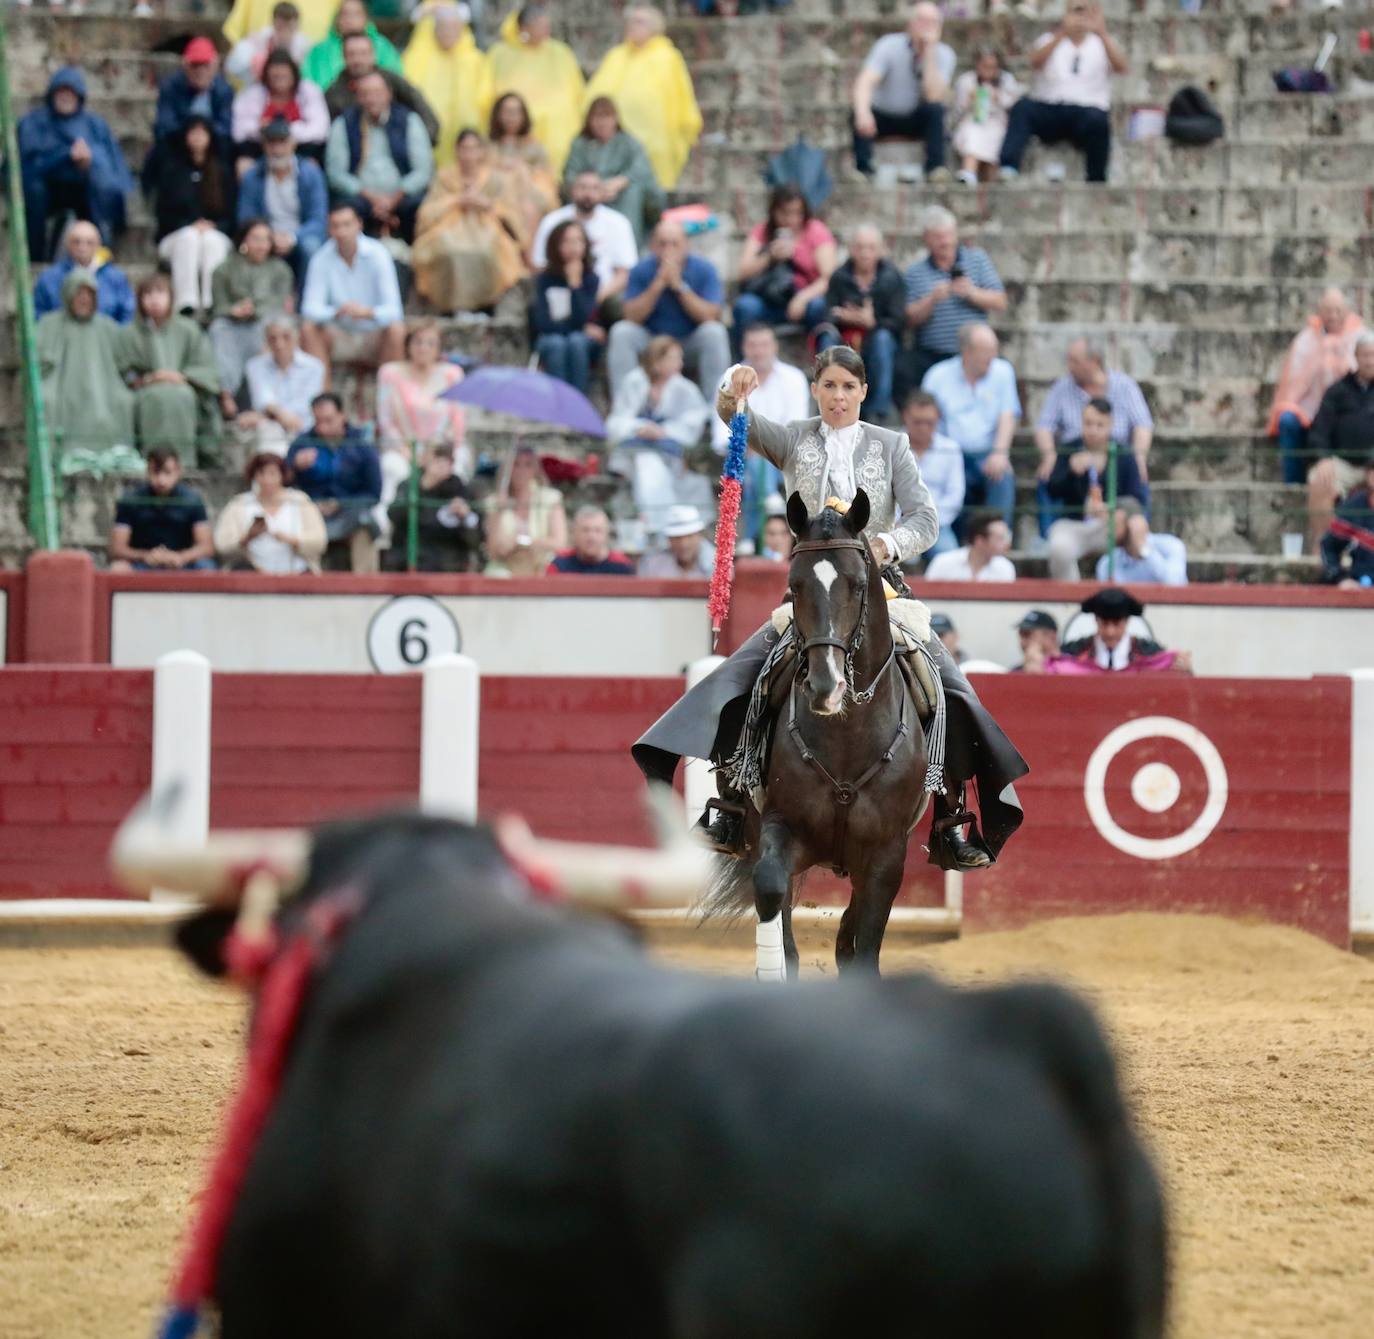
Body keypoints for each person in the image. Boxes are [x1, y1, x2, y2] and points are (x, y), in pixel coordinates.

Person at [633, 344, 1028, 873]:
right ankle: (729, 805)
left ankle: (950, 813)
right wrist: (734, 386)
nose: (838, 397)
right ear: (815, 389)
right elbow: (736, 419)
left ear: (863, 391)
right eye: (829, 386)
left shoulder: (891, 445)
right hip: (811, 600)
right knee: (740, 679)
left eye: (848, 387)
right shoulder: (795, 437)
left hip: (881, 593)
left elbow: (926, 520)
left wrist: (883, 547)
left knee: (948, 687)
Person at [999, 1, 1127, 184]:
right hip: (1050, 109)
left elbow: (1122, 67)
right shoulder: (1049, 39)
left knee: (1099, 121)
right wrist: (1062, 33)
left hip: (1086, 112)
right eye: (1076, 11)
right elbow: (1034, 62)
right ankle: (1009, 166)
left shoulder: (1103, 43)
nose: (1080, 17)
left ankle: (1096, 179)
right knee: (1022, 108)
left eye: (1085, 11)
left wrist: (1102, 32)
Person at [608, 218, 730, 401]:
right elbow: (630, 316)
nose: (668, 250)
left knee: (715, 332)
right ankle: (624, 405)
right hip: (652, 341)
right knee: (621, 332)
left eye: (675, 244)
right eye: (662, 244)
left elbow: (711, 315)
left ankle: (716, 408)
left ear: (686, 245)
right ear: (652, 246)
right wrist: (658, 284)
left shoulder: (705, 269)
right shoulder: (641, 270)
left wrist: (680, 286)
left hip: (689, 340)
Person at [19, 67, 132, 264]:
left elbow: (111, 167)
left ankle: (101, 251)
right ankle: (34, 258)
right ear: (52, 94)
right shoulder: (34, 123)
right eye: (61, 92)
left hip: (82, 189)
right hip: (46, 192)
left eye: (70, 93)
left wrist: (87, 163)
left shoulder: (94, 126)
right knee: (34, 190)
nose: (65, 97)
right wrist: (65, 156)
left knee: (100, 182)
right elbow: (28, 167)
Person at [713, 323, 812, 544]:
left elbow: (796, 430)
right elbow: (720, 432)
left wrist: (761, 445)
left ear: (775, 347)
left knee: (760, 463)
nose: (758, 351)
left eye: (764, 345)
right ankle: (769, 501)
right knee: (755, 466)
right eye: (752, 345)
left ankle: (751, 537)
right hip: (741, 455)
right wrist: (745, 445)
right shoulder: (729, 378)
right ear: (743, 347)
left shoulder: (793, 378)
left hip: (783, 457)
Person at [412, 130, 531, 313]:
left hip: (487, 227)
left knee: (487, 251)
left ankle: (485, 306)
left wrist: (486, 205)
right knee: (447, 249)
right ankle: (451, 307)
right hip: (450, 225)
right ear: (457, 151)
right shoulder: (445, 177)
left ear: (482, 151)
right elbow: (428, 210)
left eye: (474, 148)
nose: (469, 154)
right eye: (464, 149)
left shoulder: (494, 178)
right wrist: (457, 200)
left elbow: (511, 212)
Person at [584, 7, 702, 191]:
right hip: (615, 134)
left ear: (655, 27)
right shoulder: (617, 55)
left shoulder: (667, 56)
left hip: (654, 136)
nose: (633, 26)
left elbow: (681, 95)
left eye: (640, 22)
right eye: (631, 21)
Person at [606, 335, 709, 534]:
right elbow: (617, 420)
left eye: (680, 358)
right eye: (673, 358)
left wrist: (663, 432)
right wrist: (640, 427)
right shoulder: (634, 382)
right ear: (657, 360)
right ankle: (658, 523)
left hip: (668, 452)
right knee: (647, 464)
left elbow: (692, 423)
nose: (679, 363)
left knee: (660, 470)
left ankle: (659, 523)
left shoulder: (685, 389)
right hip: (634, 451)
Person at [921, 322, 1020, 528]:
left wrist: (1000, 452)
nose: (993, 356)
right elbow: (927, 420)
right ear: (967, 352)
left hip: (987, 453)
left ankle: (998, 536)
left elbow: (1007, 416)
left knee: (1003, 474)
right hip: (949, 452)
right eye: (986, 351)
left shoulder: (1002, 371)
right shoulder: (937, 376)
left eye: (995, 350)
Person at [118, 272, 222, 464]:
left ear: (170, 298)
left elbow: (204, 366)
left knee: (181, 397)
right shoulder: (129, 333)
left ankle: (185, 462)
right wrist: (147, 379)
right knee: (152, 399)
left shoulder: (189, 329)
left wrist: (182, 377)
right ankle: (149, 461)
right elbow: (123, 369)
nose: (154, 300)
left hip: (184, 387)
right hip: (145, 390)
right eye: (148, 295)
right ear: (140, 300)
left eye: (160, 293)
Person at [1034, 337, 1154, 503]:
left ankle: (1137, 525)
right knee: (1047, 478)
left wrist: (1138, 459)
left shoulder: (1125, 386)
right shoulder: (1061, 388)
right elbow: (1044, 426)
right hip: (1073, 456)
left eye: (1075, 361)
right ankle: (1050, 529)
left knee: (1137, 483)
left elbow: (1142, 425)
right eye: (1068, 360)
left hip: (1117, 459)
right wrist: (1049, 456)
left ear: (1095, 361)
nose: (1069, 367)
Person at [1044, 396, 1149, 579]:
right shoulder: (1069, 449)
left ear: (1110, 425)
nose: (1093, 430)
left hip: (1110, 526)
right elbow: (1051, 490)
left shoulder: (1123, 454)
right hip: (1075, 523)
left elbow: (1136, 497)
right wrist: (1071, 471)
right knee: (1059, 547)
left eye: (1100, 425)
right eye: (1088, 424)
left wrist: (1112, 510)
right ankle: (1070, 599)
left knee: (1134, 532)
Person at [1268, 287, 1364, 486]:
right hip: (1312, 410)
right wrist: (1321, 357)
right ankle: (1293, 484)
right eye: (1328, 310)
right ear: (1320, 312)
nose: (1333, 316)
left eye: (1338, 310)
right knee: (1287, 421)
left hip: (1344, 411)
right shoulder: (1306, 340)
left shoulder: (1361, 338)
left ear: (1347, 312)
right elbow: (1294, 383)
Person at [325, 71, 435, 244]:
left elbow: (423, 170)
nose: (371, 99)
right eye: (365, 94)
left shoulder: (409, 120)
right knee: (345, 208)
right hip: (361, 198)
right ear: (358, 97)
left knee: (421, 205)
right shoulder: (344, 123)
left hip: (402, 197)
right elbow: (336, 173)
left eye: (377, 93)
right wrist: (371, 197)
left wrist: (394, 198)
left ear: (389, 94)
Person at [903, 206, 1007, 390]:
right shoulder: (915, 272)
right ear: (926, 239)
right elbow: (908, 320)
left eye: (949, 235)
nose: (945, 242)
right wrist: (932, 299)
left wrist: (972, 293)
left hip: (975, 352)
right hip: (932, 355)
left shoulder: (977, 259)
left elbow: (1000, 301)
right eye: (938, 237)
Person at [36, 268, 135, 461]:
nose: (84, 299)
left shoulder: (108, 327)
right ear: (68, 294)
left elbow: (125, 363)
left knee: (124, 401)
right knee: (47, 400)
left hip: (105, 388)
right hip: (60, 385)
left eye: (89, 294)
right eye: (79, 293)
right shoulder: (49, 323)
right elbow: (40, 360)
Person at [143, 115, 236, 317]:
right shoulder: (172, 171)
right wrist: (190, 225)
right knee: (189, 238)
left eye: (202, 132)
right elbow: (164, 214)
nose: (198, 137)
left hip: (213, 234)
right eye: (193, 132)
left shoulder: (222, 172)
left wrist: (214, 226)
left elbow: (230, 215)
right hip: (176, 236)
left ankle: (210, 302)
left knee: (211, 241)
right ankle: (187, 304)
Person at [851, 2, 955, 181]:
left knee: (936, 111)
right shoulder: (888, 45)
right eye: (921, 20)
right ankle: (863, 169)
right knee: (857, 111)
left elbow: (934, 96)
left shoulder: (945, 54)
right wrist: (863, 113)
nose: (926, 26)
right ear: (910, 23)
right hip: (883, 117)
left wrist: (929, 52)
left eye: (932, 22)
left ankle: (935, 169)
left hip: (916, 119)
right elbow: (865, 82)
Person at [300, 203, 406, 377]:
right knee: (308, 329)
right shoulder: (320, 258)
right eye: (335, 226)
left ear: (359, 224)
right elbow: (309, 309)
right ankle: (322, 399)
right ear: (329, 229)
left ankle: (390, 398)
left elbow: (394, 310)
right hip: (339, 333)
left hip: (373, 333)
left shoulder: (378, 254)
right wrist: (336, 312)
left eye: (347, 224)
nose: (341, 232)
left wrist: (367, 312)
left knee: (396, 329)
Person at [732, 185, 837, 356]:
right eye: (785, 213)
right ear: (774, 212)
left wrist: (802, 298)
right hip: (768, 300)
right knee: (745, 306)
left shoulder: (816, 231)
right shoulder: (762, 231)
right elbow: (742, 272)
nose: (791, 219)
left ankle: (826, 368)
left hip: (805, 299)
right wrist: (769, 256)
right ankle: (742, 369)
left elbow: (829, 278)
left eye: (797, 213)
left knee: (821, 308)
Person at [816, 225, 905, 423]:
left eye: (871, 247)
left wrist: (872, 322)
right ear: (851, 249)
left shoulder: (892, 278)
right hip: (844, 340)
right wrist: (844, 317)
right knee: (826, 341)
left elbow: (899, 322)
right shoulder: (839, 277)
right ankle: (827, 402)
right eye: (860, 247)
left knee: (883, 340)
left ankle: (878, 412)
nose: (865, 253)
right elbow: (826, 316)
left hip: (879, 341)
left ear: (880, 250)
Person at [377, 320, 468, 512]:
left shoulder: (452, 374)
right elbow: (386, 421)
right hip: (404, 448)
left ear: (438, 348)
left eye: (430, 343)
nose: (423, 348)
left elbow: (457, 422)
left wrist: (436, 454)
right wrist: (409, 452)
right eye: (418, 342)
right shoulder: (390, 373)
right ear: (408, 345)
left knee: (458, 464)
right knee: (393, 467)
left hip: (442, 450)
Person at [209, 218, 296, 419]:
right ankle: (226, 393)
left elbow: (280, 303)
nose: (261, 244)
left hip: (265, 322)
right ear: (244, 240)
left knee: (270, 330)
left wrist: (254, 310)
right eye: (256, 238)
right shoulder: (223, 269)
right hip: (233, 324)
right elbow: (218, 306)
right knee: (219, 329)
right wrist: (234, 310)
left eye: (266, 239)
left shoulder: (281, 269)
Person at [286, 392, 383, 570]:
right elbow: (284, 485)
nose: (322, 428)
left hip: (350, 512)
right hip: (311, 513)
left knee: (366, 526)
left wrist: (341, 503)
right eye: (318, 421)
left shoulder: (361, 445)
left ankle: (366, 585)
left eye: (328, 420)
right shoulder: (302, 443)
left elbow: (373, 493)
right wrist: (294, 468)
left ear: (342, 415)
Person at [486, 3, 586, 176]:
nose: (545, 31)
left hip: (557, 130)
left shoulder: (560, 52)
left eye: (547, 26)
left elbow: (577, 91)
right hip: (516, 130)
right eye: (540, 26)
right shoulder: (502, 54)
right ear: (524, 27)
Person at [236, 118, 330, 285]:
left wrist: (292, 237)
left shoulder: (310, 173)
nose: (277, 150)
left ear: (293, 144)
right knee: (251, 246)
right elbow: (246, 218)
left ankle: (306, 303)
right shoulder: (252, 176)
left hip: (300, 235)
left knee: (311, 246)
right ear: (264, 146)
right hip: (266, 236)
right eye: (272, 144)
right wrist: (268, 237)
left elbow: (318, 219)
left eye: (282, 143)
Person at [562, 96, 664, 248]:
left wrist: (621, 182)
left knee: (634, 192)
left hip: (621, 192)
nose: (602, 123)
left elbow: (642, 168)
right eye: (597, 118)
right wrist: (593, 189)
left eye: (607, 117)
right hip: (589, 193)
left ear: (615, 119)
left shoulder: (628, 142)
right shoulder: (580, 144)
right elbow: (570, 174)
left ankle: (630, 244)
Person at [402, 3, 494, 167]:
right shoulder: (416, 58)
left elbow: (486, 96)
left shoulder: (475, 60)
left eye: (453, 28)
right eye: (443, 28)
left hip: (466, 134)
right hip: (429, 132)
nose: (448, 33)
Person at [1306, 332, 1374, 550]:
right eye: (1365, 355)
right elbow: (1319, 430)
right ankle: (1325, 554)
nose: (1370, 360)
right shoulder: (1338, 391)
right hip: (1343, 464)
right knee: (1319, 481)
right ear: (1355, 356)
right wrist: (1323, 459)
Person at [531, 169, 637, 306]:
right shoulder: (552, 221)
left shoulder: (618, 223)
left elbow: (625, 273)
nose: (588, 194)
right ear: (572, 190)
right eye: (582, 187)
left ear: (602, 192)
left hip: (604, 297)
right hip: (558, 294)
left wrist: (591, 300)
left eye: (594, 188)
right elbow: (539, 266)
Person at [214, 450, 328, 573]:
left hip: (298, 573)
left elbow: (320, 542)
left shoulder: (300, 501)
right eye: (261, 474)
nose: (267, 480)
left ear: (282, 475)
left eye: (272, 474)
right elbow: (223, 545)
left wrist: (291, 540)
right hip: (251, 575)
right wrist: (247, 538)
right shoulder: (239, 504)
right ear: (254, 476)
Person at [108, 448, 217, 572]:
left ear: (178, 471)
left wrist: (180, 557)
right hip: (142, 564)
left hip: (182, 564)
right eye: (155, 472)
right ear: (147, 471)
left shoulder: (192, 500)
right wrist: (145, 556)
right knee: (118, 568)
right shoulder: (131, 500)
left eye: (167, 472)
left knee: (206, 568)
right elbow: (117, 549)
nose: (161, 480)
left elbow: (206, 547)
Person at [1039, 587, 1192, 674]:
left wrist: (1185, 670)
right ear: (1096, 621)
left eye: (1116, 624)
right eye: (1104, 623)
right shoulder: (1074, 651)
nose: (1110, 632)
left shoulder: (1149, 651)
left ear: (1126, 622)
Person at [325, 32, 441, 146]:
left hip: (397, 148)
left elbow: (420, 106)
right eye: (351, 54)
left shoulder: (392, 80)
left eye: (363, 53)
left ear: (373, 55)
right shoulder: (334, 92)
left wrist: (421, 143)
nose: (358, 60)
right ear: (343, 57)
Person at [532, 220, 604, 394]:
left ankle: (578, 401)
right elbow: (544, 323)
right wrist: (580, 327)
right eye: (567, 241)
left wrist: (575, 284)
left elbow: (583, 316)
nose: (573, 247)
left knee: (576, 341)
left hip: (577, 340)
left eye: (578, 241)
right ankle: (557, 400)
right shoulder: (544, 279)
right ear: (555, 245)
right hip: (550, 338)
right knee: (557, 343)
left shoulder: (590, 279)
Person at [385, 443, 482, 572]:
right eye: (437, 459)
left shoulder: (460, 490)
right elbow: (393, 514)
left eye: (447, 460)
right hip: (408, 561)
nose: (441, 465)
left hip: (448, 565)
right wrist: (423, 488)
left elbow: (476, 534)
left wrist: (465, 516)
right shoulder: (408, 485)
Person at [231, 49, 329, 171]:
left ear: (294, 75)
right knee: (244, 165)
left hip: (300, 153)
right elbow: (239, 132)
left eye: (284, 77)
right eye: (275, 77)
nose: (279, 81)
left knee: (312, 166)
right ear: (266, 76)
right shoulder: (253, 93)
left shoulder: (309, 91)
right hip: (261, 153)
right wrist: (259, 129)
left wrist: (283, 131)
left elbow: (320, 130)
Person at [240, 316, 326, 453]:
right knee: (268, 430)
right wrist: (277, 416)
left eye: (286, 337)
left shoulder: (314, 367)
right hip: (270, 427)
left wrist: (268, 415)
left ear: (296, 338)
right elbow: (262, 400)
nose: (279, 344)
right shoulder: (255, 366)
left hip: (304, 430)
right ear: (266, 341)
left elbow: (305, 408)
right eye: (273, 339)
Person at [483, 445, 567, 576]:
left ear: (535, 469)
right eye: (515, 464)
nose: (521, 471)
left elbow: (559, 544)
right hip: (505, 571)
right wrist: (499, 512)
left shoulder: (550, 498)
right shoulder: (494, 502)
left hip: (541, 570)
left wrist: (523, 541)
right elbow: (495, 550)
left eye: (528, 465)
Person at [33, 219, 134, 324]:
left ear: (98, 245)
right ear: (67, 244)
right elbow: (39, 315)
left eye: (89, 242)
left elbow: (127, 314)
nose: (82, 247)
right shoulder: (49, 278)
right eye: (76, 242)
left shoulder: (116, 277)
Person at [901, 390, 963, 556]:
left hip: (938, 524)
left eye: (929, 422)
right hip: (898, 524)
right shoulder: (892, 445)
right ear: (906, 417)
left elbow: (955, 495)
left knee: (949, 558)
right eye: (918, 422)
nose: (923, 428)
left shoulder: (951, 449)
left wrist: (930, 522)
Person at [487, 92, 559, 232]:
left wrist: (522, 169)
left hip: (526, 199)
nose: (511, 117)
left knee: (529, 210)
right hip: (496, 200)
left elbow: (546, 179)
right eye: (507, 112)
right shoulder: (487, 146)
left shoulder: (535, 147)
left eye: (515, 112)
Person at [952, 47, 1022, 185]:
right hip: (973, 120)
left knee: (998, 137)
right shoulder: (967, 80)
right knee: (972, 134)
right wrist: (970, 99)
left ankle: (994, 182)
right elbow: (958, 108)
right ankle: (969, 171)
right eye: (985, 66)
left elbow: (1014, 106)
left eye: (992, 67)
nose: (988, 70)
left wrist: (997, 96)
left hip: (998, 121)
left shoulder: (1007, 80)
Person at [301, 0, 402, 92]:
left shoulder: (382, 47)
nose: (349, 19)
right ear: (337, 19)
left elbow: (394, 79)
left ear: (366, 18)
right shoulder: (319, 51)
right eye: (344, 14)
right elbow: (307, 84)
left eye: (356, 14)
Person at [154, 37, 234, 148]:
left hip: (212, 152)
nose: (200, 71)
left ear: (215, 65)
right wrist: (192, 136)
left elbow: (226, 128)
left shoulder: (224, 91)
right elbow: (164, 127)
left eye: (205, 65)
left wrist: (204, 136)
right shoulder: (170, 87)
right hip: (179, 149)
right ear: (185, 65)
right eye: (195, 65)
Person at [1093, 499, 1188, 586]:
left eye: (1112, 524)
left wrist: (1144, 549)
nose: (1107, 531)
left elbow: (1174, 585)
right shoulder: (1106, 563)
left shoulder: (1170, 545)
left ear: (1134, 523)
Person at [225, 1, 311, 87]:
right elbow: (232, 67)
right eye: (281, 27)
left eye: (290, 28)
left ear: (297, 26)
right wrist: (257, 63)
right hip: (261, 90)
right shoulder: (257, 40)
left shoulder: (305, 46)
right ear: (273, 23)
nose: (285, 33)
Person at [1320, 455, 1374, 587]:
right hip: (1362, 583)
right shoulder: (1354, 506)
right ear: (1368, 474)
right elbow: (1328, 546)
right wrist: (1341, 578)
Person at [547, 505, 636, 575]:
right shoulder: (560, 564)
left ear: (606, 534)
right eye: (585, 530)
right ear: (574, 533)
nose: (591, 537)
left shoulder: (622, 566)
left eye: (598, 530)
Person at [924, 514, 1015, 582]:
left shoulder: (1005, 568)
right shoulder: (943, 563)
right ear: (980, 541)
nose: (1007, 544)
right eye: (1000, 538)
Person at [639, 504, 715, 579]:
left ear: (700, 535)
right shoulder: (653, 564)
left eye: (689, 536)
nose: (684, 544)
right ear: (669, 539)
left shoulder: (718, 563)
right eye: (677, 538)